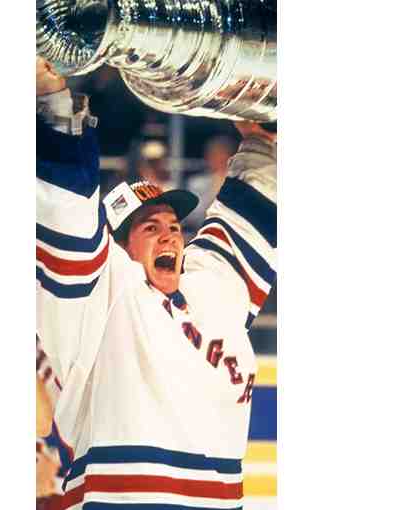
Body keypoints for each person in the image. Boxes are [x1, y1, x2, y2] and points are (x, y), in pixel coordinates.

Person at [36, 58, 277, 509]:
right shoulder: (103, 300)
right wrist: (54, 104)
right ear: (118, 248)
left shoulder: (212, 292)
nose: (169, 235)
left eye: (174, 226)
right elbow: (69, 221)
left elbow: (257, 207)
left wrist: (263, 127)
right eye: (149, 228)